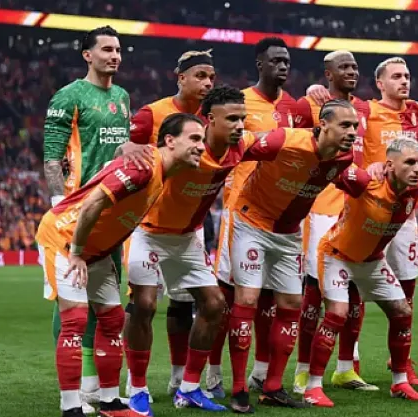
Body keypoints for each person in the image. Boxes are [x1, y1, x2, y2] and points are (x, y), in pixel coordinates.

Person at [36, 113, 206, 417]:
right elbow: (92, 203)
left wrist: (122, 148)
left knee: (113, 320)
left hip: (96, 251)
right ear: (170, 140)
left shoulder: (156, 169)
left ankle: (110, 403)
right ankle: (70, 407)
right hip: (64, 239)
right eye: (194, 138)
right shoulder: (144, 167)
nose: (202, 146)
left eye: (203, 140)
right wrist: (77, 252)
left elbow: (110, 168)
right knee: (75, 321)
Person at [123, 85, 272, 414]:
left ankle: (189, 388)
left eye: (242, 118)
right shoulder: (186, 149)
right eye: (231, 119)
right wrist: (128, 145)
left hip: (187, 238)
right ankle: (137, 389)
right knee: (144, 305)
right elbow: (144, 156)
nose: (239, 125)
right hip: (149, 232)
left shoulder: (239, 146)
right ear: (209, 120)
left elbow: (278, 139)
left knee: (214, 304)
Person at [226, 99, 366, 412]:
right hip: (251, 222)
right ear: (323, 124)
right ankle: (238, 388)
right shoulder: (285, 140)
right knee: (247, 299)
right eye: (345, 125)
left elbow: (357, 184)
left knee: (291, 304)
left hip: (289, 234)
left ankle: (273, 387)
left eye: (355, 126)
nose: (352, 132)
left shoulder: (344, 158)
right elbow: (239, 147)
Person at [42, 26, 142, 413]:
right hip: (76, 210)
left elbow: (117, 151)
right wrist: (59, 205)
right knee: (71, 304)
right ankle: (73, 389)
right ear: (87, 55)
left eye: (118, 49)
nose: (115, 56)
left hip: (110, 213)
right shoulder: (69, 96)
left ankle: (94, 386)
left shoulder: (122, 97)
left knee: (107, 306)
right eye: (106, 49)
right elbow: (53, 157)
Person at [304, 138, 418, 407]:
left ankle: (399, 382)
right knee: (337, 314)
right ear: (390, 165)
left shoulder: (417, 188)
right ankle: (312, 387)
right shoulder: (365, 182)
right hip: (337, 255)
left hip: (372, 261)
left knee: (402, 312)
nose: (417, 169)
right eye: (409, 162)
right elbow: (328, 165)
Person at [208, 37, 299, 399]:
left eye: (287, 61)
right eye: (276, 60)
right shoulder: (240, 103)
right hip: (240, 211)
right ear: (260, 64)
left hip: (280, 214)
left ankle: (262, 375)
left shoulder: (295, 108)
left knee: (271, 300)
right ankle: (214, 374)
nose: (283, 66)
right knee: (229, 298)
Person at [127, 49, 216, 400]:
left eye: (211, 77)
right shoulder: (152, 114)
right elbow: (126, 153)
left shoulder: (212, 117)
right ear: (181, 78)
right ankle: (135, 384)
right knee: (144, 305)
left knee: (193, 304)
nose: (207, 83)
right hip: (148, 223)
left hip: (190, 226)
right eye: (200, 76)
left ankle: (182, 381)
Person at [293, 50, 377, 393]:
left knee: (354, 291)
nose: (352, 71)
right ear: (328, 73)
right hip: (321, 208)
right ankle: (302, 370)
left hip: (356, 209)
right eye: (344, 67)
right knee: (315, 293)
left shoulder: (366, 109)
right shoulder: (309, 105)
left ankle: (345, 369)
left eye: (355, 66)